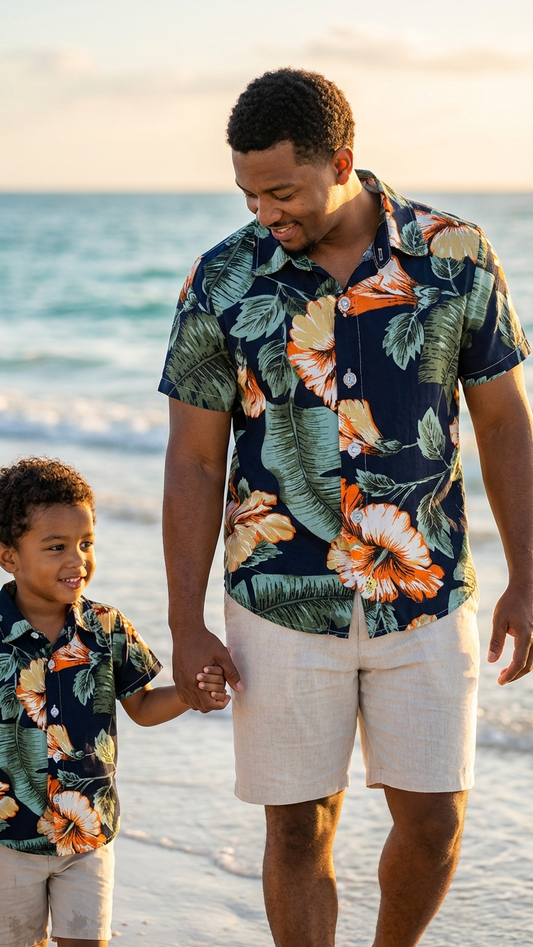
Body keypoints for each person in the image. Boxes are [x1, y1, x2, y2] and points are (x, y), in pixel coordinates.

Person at [158, 68, 533, 947]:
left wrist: (527, 575)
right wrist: (184, 620)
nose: (265, 212)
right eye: (249, 193)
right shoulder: (222, 279)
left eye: (282, 190)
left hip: (427, 590)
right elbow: (194, 457)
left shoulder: (457, 256)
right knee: (296, 827)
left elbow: (504, 425)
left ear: (343, 162)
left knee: (435, 820)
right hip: (277, 601)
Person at [0, 456, 230, 947]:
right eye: (56, 547)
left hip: (89, 834)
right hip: (7, 842)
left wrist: (191, 694)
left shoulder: (106, 627)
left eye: (86, 544)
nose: (76, 560)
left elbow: (143, 707)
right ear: (10, 557)